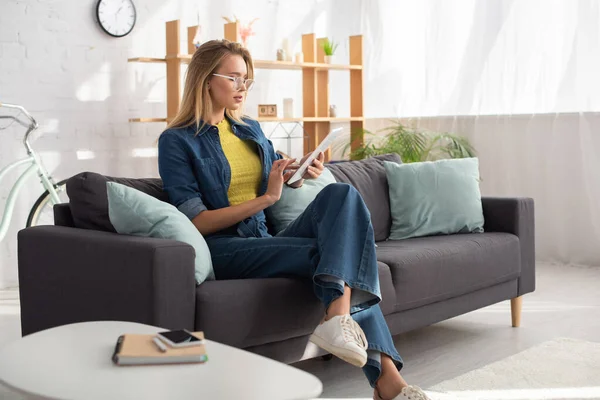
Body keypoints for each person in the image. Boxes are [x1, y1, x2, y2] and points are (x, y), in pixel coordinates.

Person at [157, 39, 433, 400]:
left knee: (343, 195)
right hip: (224, 248)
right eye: (235, 78)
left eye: (247, 80)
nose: (243, 88)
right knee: (334, 259)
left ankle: (338, 318)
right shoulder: (176, 141)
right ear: (207, 79)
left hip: (263, 237)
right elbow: (199, 221)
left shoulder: (250, 129)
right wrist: (268, 198)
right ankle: (388, 384)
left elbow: (280, 174)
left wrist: (300, 172)